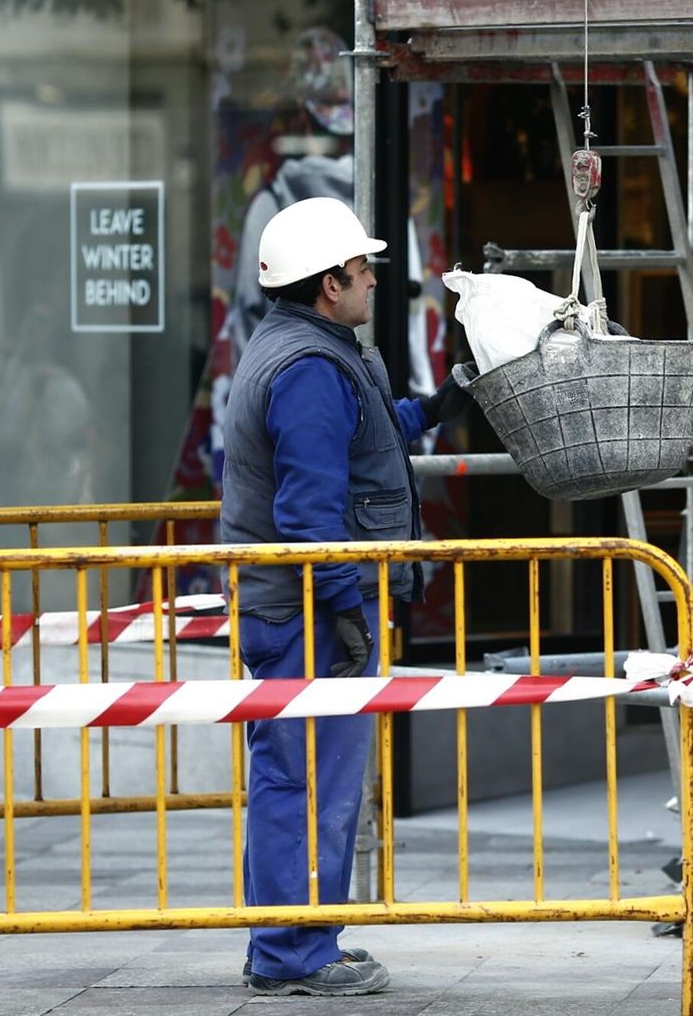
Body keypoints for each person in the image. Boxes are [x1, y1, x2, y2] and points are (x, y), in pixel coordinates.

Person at [219, 196, 473, 998]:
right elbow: (309, 519)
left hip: (303, 607)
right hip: (310, 611)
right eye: (363, 271)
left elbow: (365, 435)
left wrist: (434, 408)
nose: (372, 282)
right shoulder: (308, 369)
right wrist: (345, 615)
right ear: (330, 283)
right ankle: (294, 952)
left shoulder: (313, 351)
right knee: (306, 778)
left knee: (300, 775)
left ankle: (298, 939)